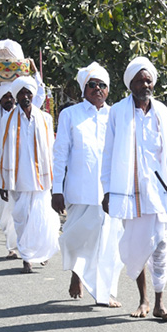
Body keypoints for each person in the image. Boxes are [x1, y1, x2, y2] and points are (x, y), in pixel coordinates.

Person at [101, 57, 167, 319]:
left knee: (161, 246)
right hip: (131, 193)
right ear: (130, 84)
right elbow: (108, 153)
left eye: (148, 80)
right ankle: (142, 300)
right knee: (137, 246)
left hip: (160, 193)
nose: (145, 84)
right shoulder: (117, 113)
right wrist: (107, 190)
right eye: (139, 80)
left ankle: (158, 302)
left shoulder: (163, 113)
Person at [54, 62, 123, 305]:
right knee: (75, 239)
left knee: (107, 244)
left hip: (109, 193)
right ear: (84, 89)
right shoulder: (70, 115)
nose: (97, 89)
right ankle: (77, 273)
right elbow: (60, 153)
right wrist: (56, 190)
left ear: (108, 90)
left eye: (102, 85)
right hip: (78, 191)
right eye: (92, 85)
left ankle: (103, 293)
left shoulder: (116, 115)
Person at [0, 72, 58, 272]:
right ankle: (26, 258)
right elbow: (0, 150)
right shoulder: (7, 119)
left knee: (42, 217)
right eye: (20, 93)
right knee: (21, 218)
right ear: (16, 96)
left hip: (41, 179)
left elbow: (52, 148)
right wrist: (3, 182)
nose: (25, 96)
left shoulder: (45, 118)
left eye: (27, 92)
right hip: (18, 178)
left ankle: (41, 252)